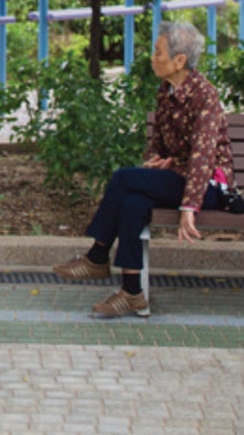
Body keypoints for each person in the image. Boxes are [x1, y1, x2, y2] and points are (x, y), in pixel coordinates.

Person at [53, 19, 234, 318]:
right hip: (179, 176)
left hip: (210, 187)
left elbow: (203, 157)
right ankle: (132, 292)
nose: (152, 57)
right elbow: (158, 144)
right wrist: (158, 159)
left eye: (158, 52)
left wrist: (190, 206)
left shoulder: (205, 96)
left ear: (180, 60)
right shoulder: (167, 90)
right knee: (132, 202)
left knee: (123, 178)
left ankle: (98, 256)